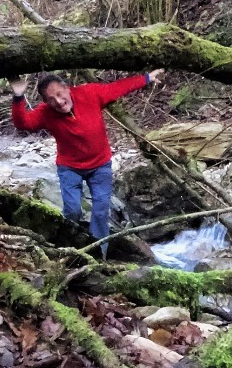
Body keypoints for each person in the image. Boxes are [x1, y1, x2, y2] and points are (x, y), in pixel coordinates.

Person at [11, 69, 164, 246]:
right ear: (45, 102)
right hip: (70, 168)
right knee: (72, 211)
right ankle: (68, 247)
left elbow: (117, 88)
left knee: (100, 212)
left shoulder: (89, 93)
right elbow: (23, 124)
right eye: (51, 100)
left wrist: (146, 78)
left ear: (67, 88)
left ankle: (98, 251)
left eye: (60, 95)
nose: (59, 102)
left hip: (100, 166)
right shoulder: (45, 113)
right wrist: (18, 96)